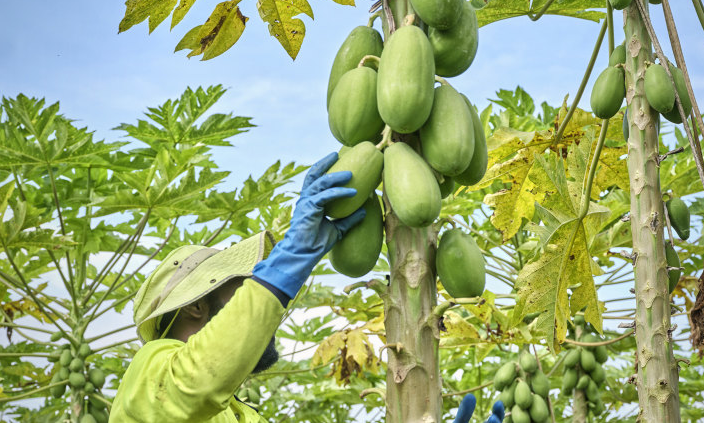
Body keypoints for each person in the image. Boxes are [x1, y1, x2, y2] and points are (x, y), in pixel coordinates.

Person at [109, 153, 503, 423]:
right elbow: (196, 382)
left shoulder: (239, 413)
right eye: (244, 286)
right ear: (195, 307)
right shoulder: (153, 367)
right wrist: (287, 262)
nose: (261, 297)